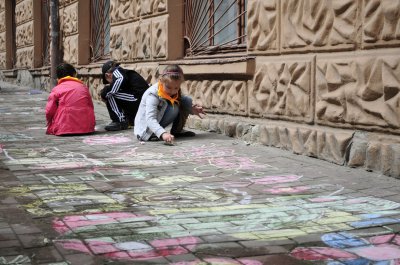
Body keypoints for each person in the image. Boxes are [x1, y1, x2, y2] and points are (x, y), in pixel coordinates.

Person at [134, 64, 205, 144]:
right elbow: (150, 119)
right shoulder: (153, 94)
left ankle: (177, 131)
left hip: (157, 123)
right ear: (161, 81)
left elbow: (182, 102)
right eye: (168, 87)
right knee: (173, 108)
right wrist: (163, 133)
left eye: (176, 88)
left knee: (186, 100)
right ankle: (155, 134)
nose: (172, 91)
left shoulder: (174, 90)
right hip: (145, 132)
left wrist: (191, 109)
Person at [45, 63, 96, 136]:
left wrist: (50, 122)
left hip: (64, 128)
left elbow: (49, 110)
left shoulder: (56, 89)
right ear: (74, 74)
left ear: (58, 78)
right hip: (87, 128)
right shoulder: (83, 87)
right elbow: (90, 106)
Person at [100, 60, 150, 131]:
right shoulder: (124, 72)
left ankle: (120, 121)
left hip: (139, 98)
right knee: (114, 93)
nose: (110, 83)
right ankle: (129, 120)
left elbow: (120, 79)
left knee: (110, 94)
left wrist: (104, 94)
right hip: (141, 101)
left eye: (107, 81)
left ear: (107, 75)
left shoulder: (117, 71)